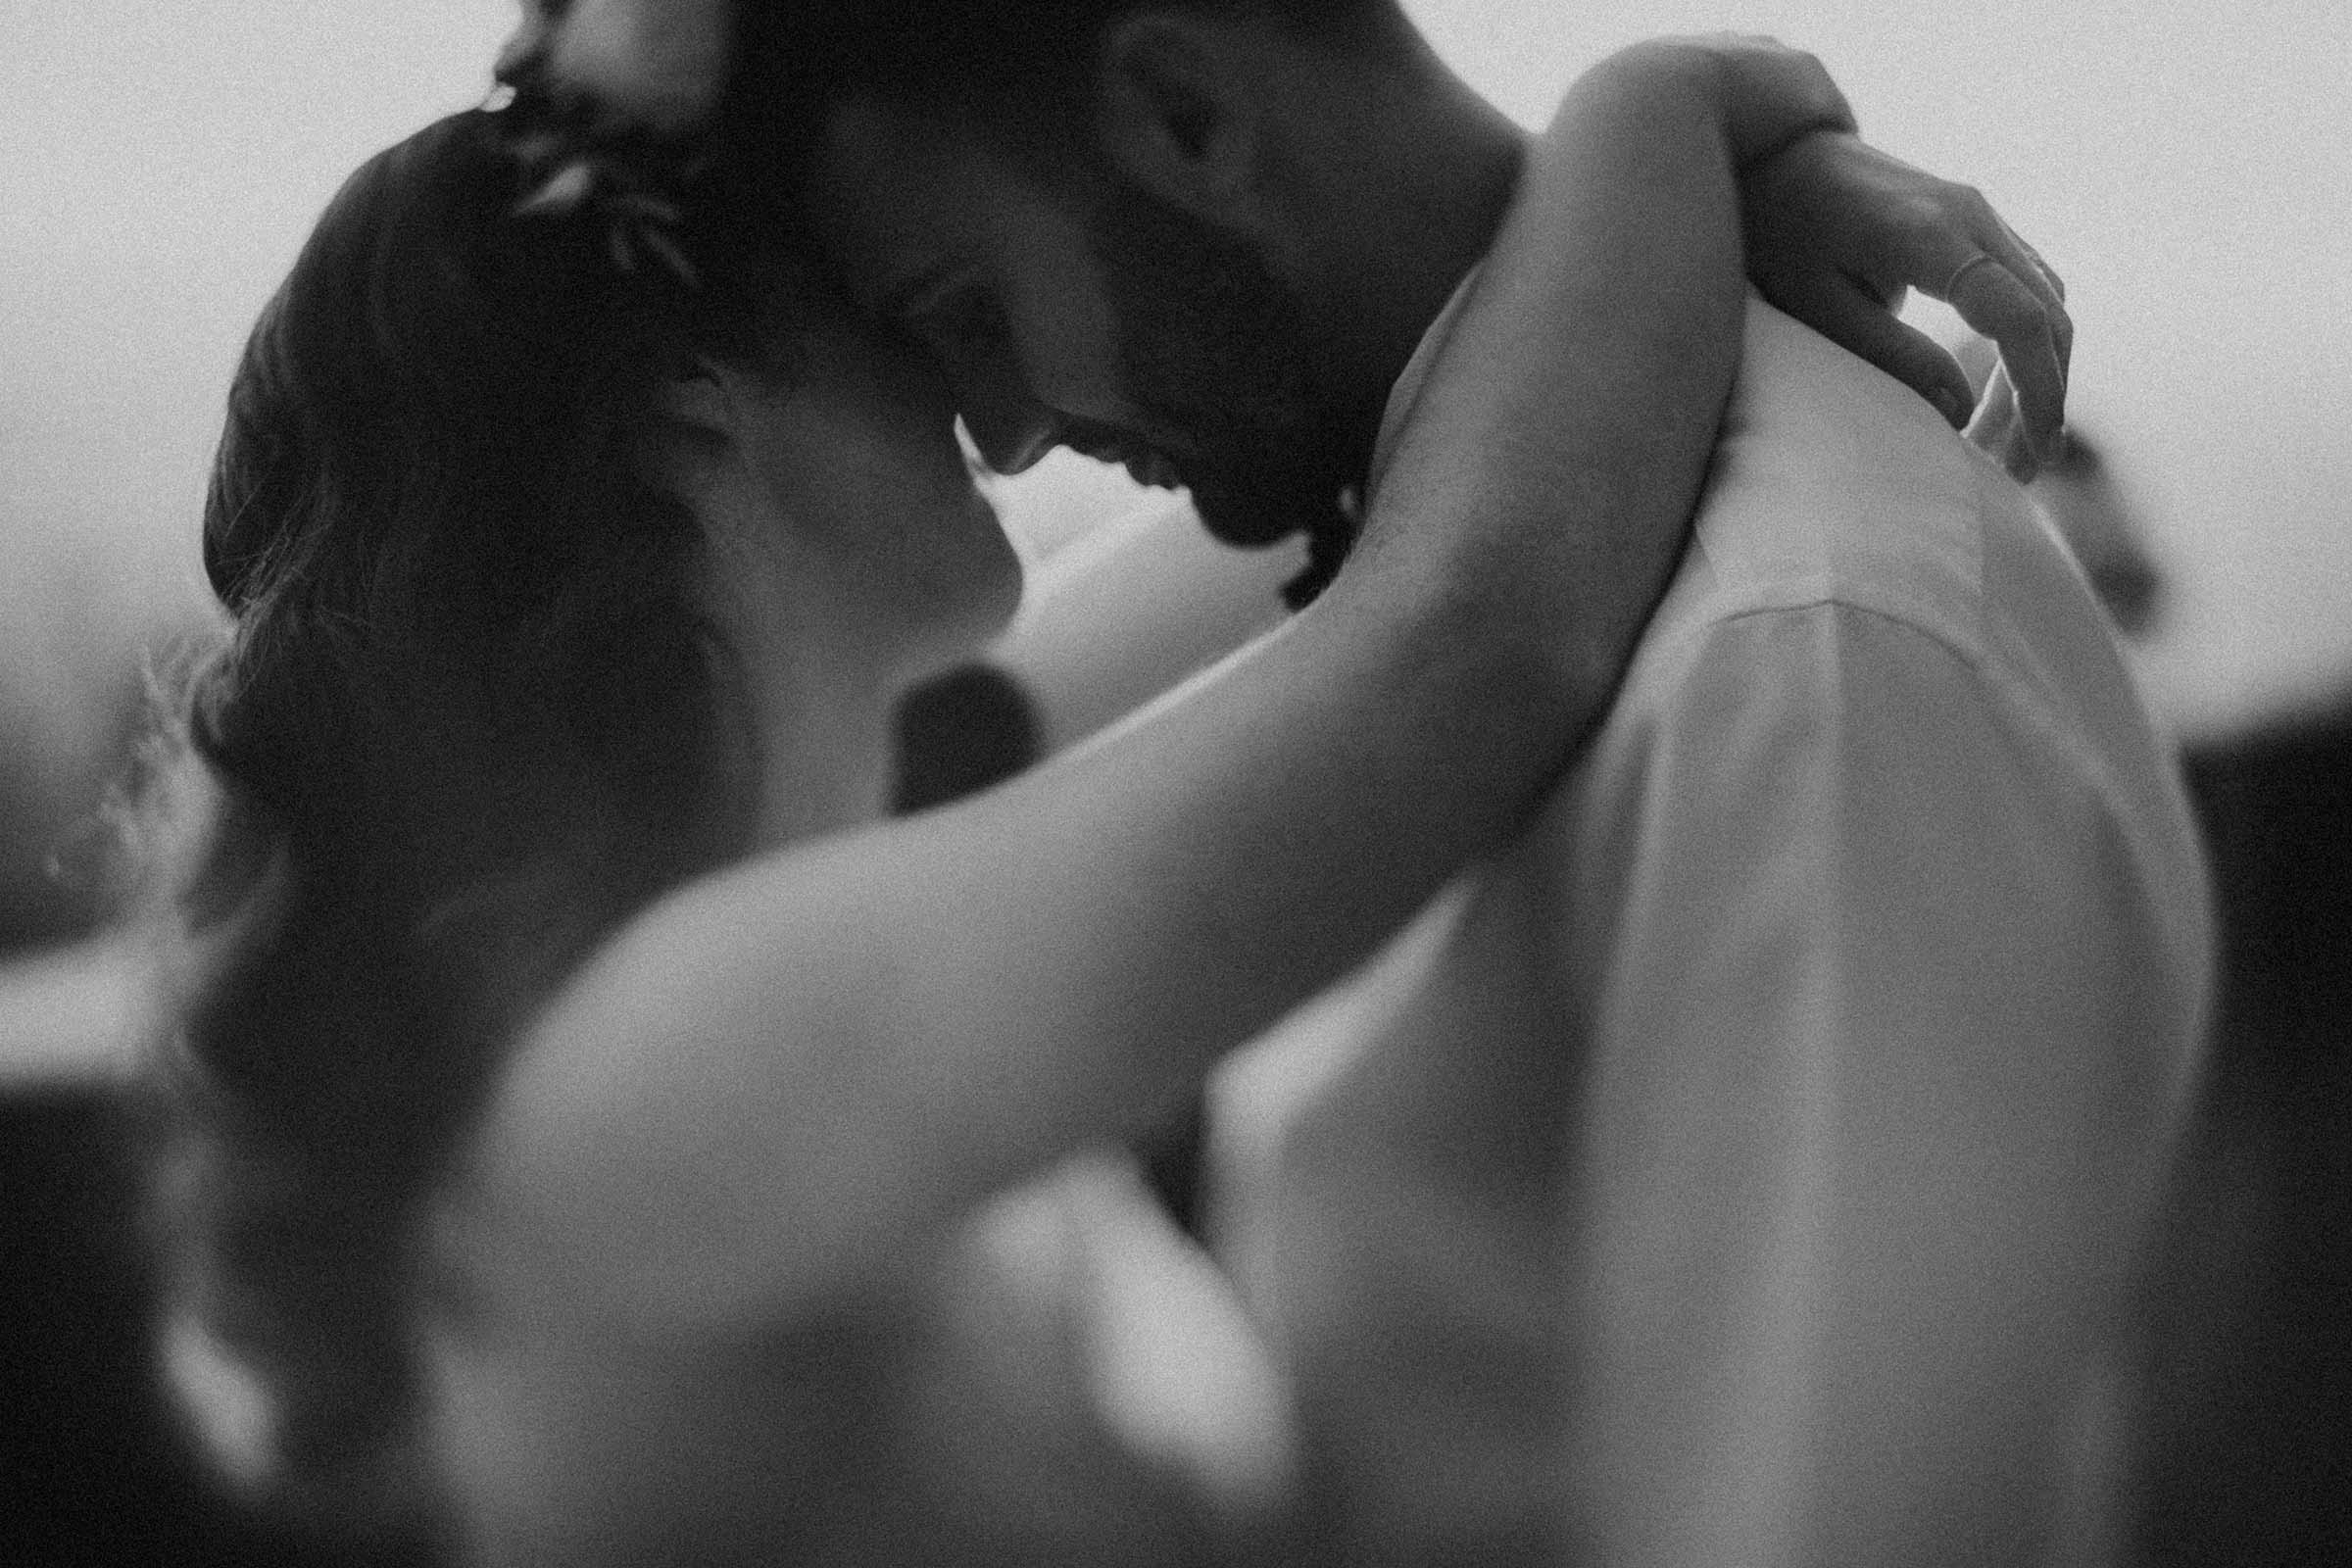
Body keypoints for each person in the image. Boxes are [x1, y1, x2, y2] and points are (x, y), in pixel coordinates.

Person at [140, 29, 2074, 1568]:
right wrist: (1666, 100)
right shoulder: (630, 1086)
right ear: (688, 412)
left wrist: (1713, 218)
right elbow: (1472, 631)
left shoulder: (862, 817)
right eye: (913, 321)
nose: (995, 413)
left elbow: (1403, 447)